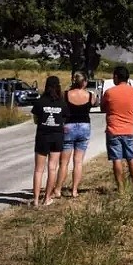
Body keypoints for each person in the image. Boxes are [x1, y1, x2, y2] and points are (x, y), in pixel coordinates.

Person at [52, 71, 93, 199]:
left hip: (69, 126)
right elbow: (93, 105)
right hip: (84, 126)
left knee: (63, 162)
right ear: (84, 82)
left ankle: (57, 189)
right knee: (78, 161)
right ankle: (74, 190)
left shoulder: (65, 95)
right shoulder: (91, 96)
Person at [101, 65, 133, 192]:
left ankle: (121, 188)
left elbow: (103, 108)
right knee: (131, 157)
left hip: (113, 130)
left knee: (116, 159)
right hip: (129, 130)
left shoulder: (109, 92)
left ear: (116, 77)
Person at [29, 75, 66, 207]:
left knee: (39, 169)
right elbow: (64, 120)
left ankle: (36, 199)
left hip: (42, 136)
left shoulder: (39, 102)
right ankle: (47, 198)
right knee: (52, 168)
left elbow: (35, 120)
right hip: (57, 136)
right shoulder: (62, 103)